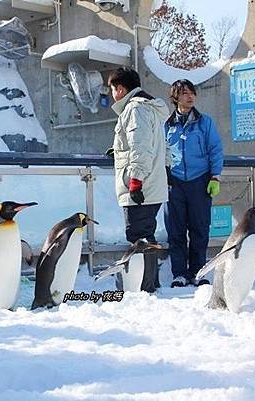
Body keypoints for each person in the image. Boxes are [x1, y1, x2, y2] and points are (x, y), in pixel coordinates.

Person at [107, 67, 170, 293]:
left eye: (112, 89)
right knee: (144, 234)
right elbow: (159, 145)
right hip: (151, 182)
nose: (112, 94)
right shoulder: (147, 108)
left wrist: (136, 180)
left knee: (138, 235)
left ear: (121, 89)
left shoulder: (134, 109)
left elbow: (140, 146)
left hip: (141, 185)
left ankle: (145, 286)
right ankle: (149, 283)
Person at [164, 79, 224, 288]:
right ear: (175, 97)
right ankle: (179, 273)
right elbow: (159, 152)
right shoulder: (166, 124)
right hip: (174, 182)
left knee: (200, 229)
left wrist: (215, 176)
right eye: (185, 93)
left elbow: (215, 149)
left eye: (192, 93)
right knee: (176, 230)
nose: (190, 97)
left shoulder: (204, 122)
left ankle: (198, 272)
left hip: (200, 180)